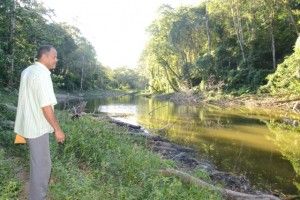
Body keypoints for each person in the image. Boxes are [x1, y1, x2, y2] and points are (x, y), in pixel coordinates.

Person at [14, 45, 65, 200]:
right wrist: (57, 129)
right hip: (37, 127)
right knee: (43, 166)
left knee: (37, 163)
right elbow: (45, 106)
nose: (56, 60)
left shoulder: (27, 71)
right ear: (45, 56)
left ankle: (35, 195)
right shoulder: (42, 75)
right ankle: (37, 197)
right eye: (54, 56)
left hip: (27, 124)